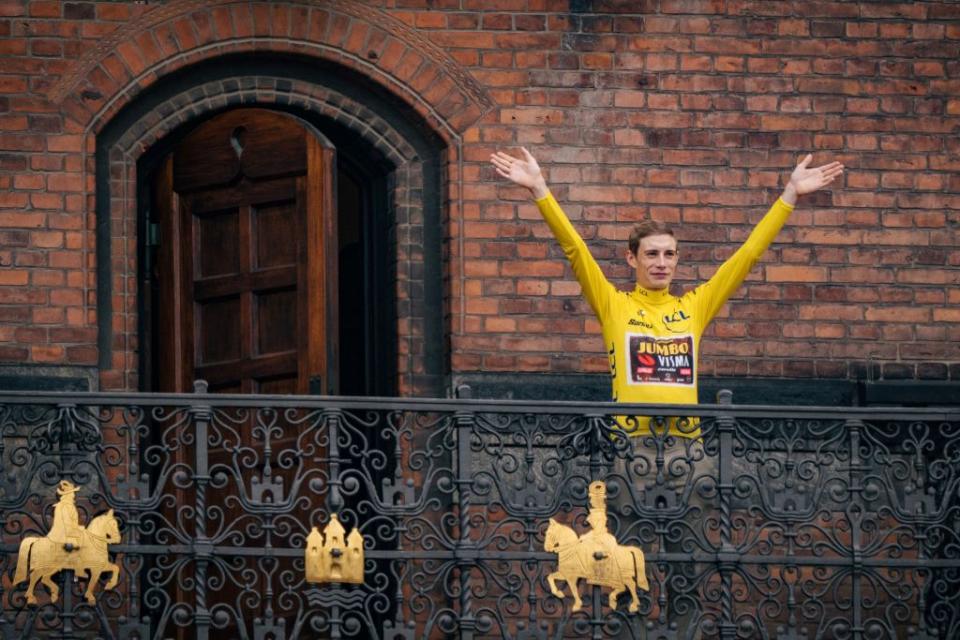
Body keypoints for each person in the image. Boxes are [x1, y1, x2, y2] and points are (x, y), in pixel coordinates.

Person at [491, 148, 843, 635]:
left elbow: (746, 258)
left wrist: (789, 196)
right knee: (625, 563)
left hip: (688, 454)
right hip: (630, 452)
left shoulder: (694, 308)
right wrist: (540, 190)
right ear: (632, 259)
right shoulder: (614, 305)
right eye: (652, 254)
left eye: (670, 254)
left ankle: (685, 632)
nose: (662, 263)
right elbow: (575, 250)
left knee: (687, 562)